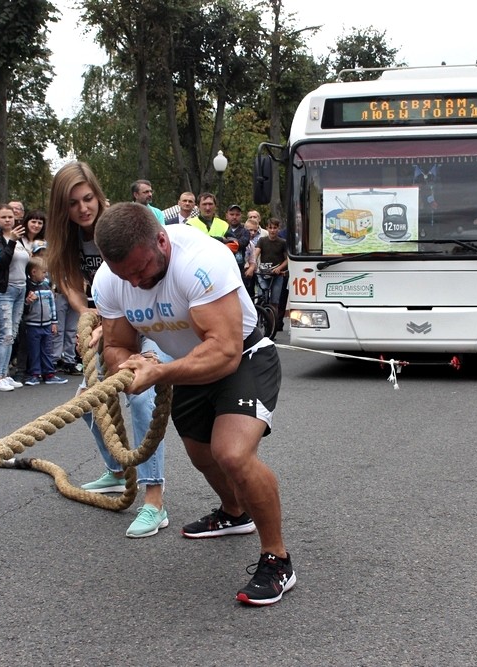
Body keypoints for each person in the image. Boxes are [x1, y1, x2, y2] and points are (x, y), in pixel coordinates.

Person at [92, 202, 294, 604]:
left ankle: (278, 559)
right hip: (184, 366)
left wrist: (159, 372)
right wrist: (130, 365)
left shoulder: (203, 260)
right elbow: (116, 344)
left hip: (243, 357)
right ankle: (234, 513)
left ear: (161, 241)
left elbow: (225, 351)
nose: (136, 282)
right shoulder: (111, 280)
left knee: (232, 454)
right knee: (201, 455)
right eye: (125, 275)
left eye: (141, 269)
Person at [45, 161, 169, 538]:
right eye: (73, 203)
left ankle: (154, 499)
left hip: (146, 317)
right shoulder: (67, 237)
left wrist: (110, 322)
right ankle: (116, 472)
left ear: (98, 196)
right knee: (86, 403)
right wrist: (89, 315)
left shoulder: (118, 224)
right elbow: (68, 279)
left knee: (141, 397)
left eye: (88, 198)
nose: (83, 208)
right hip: (107, 318)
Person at [0, 203, 30, 392]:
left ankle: (4, 374)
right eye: (3, 217)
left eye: (10, 217)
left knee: (12, 334)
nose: (8, 220)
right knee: (4, 333)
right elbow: (0, 262)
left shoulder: (18, 238)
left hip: (20, 288)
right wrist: (11, 241)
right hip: (3, 290)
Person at [22, 257, 59, 385]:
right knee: (34, 351)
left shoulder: (46, 286)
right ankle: (34, 374)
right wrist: (28, 301)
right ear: (33, 272)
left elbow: (52, 305)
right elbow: (24, 308)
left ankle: (49, 373)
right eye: (43, 272)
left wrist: (54, 322)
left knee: (47, 350)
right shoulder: (27, 287)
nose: (45, 275)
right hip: (33, 325)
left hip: (47, 324)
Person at [254, 218, 289, 322]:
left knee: (275, 301)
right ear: (267, 228)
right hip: (263, 274)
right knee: (262, 296)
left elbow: (287, 259)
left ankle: (273, 323)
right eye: (270, 228)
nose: (272, 230)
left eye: (275, 228)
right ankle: (260, 319)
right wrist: (252, 263)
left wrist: (279, 268)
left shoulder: (282, 242)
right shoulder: (262, 240)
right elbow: (256, 253)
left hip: (277, 275)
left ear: (278, 229)